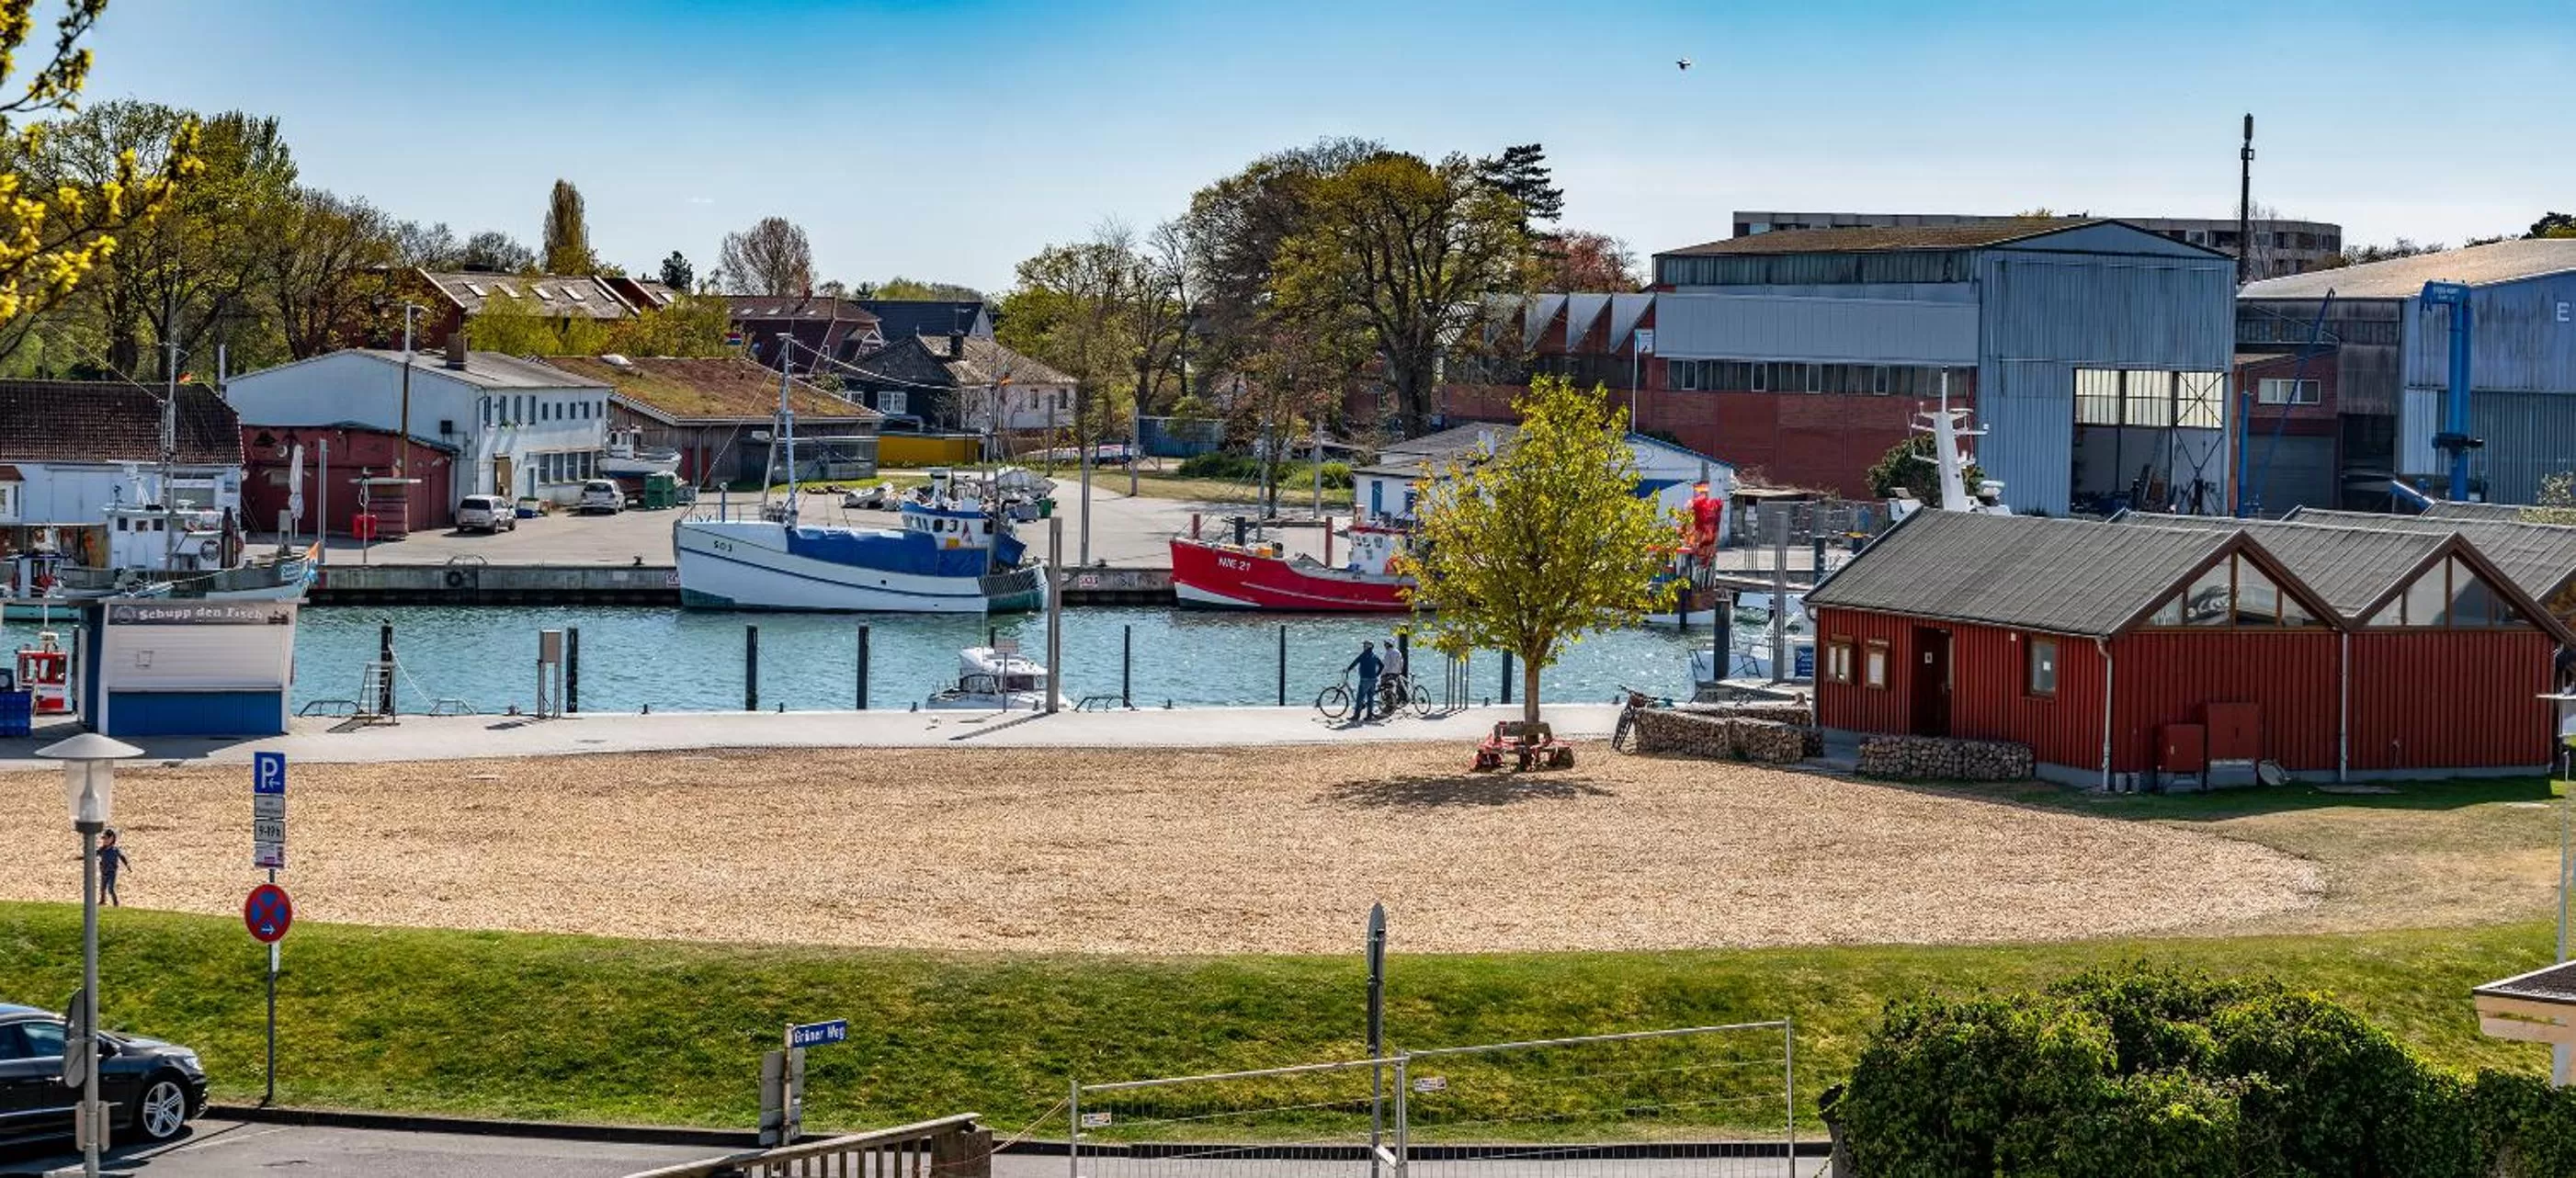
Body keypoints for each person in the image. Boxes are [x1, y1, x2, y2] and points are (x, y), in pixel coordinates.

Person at [1345, 640, 1382, 721]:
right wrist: (1377, 674)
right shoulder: (1375, 656)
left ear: (1368, 646)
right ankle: (1369, 716)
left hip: (1365, 679)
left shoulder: (1363, 655)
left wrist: (1348, 669)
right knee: (1370, 698)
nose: (1363, 646)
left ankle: (1356, 716)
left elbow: (1355, 662)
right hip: (1373, 679)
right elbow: (1382, 665)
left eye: (1365, 645)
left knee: (1360, 698)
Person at [97, 829, 131, 907]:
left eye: (106, 838)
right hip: (103, 871)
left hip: (111, 872)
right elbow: (94, 854)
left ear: (111, 838)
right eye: (103, 839)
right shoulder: (102, 849)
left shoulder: (115, 850)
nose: (104, 841)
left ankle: (116, 903)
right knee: (102, 888)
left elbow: (122, 857)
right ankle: (102, 901)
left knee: (110, 889)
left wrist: (127, 865)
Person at [1381, 636, 1409, 710]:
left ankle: (1389, 706)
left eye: (1385, 644)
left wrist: (1382, 674)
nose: (1384, 645)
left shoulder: (1388, 653)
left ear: (1387, 644)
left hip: (1389, 673)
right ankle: (1396, 702)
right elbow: (1401, 663)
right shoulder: (1397, 652)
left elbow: (1386, 665)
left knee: (1386, 689)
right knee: (1395, 689)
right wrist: (1399, 671)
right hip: (1396, 673)